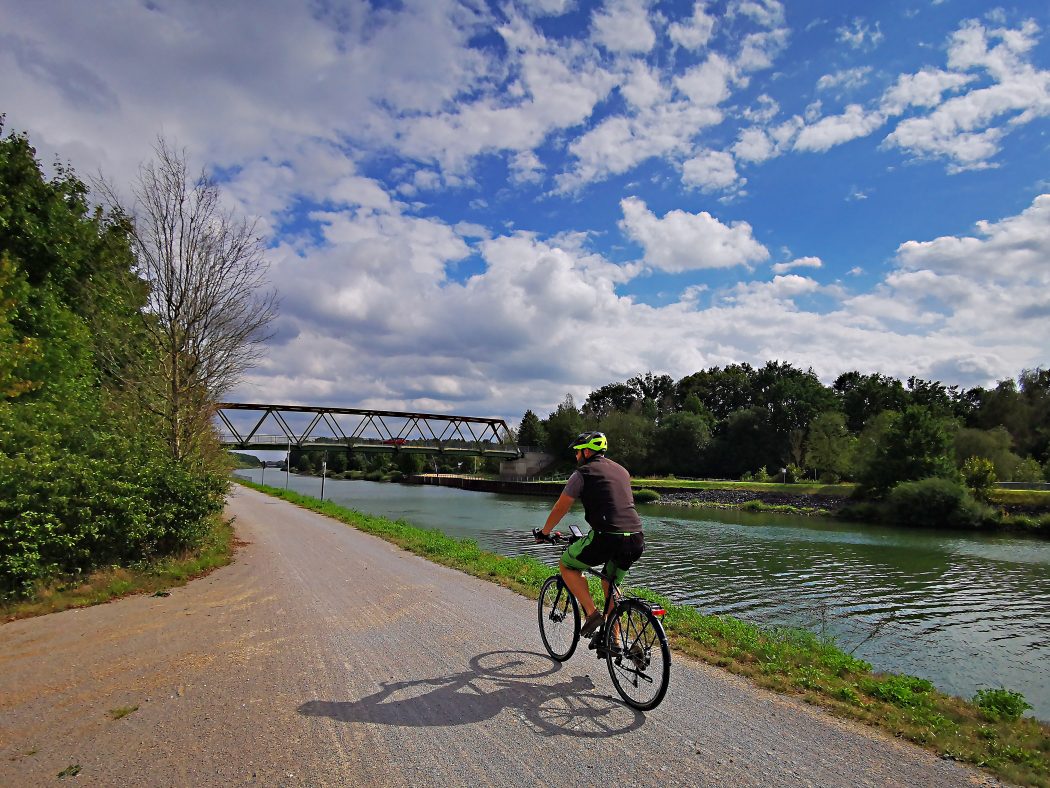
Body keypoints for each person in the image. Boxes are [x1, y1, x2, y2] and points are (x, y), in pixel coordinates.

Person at [534, 431, 644, 642]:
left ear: (586, 451)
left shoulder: (582, 473)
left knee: (568, 565)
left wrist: (544, 532)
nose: (576, 456)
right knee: (610, 583)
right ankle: (614, 639)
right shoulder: (622, 471)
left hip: (607, 537)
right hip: (636, 538)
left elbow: (561, 507)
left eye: (577, 452)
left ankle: (592, 614)